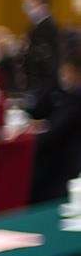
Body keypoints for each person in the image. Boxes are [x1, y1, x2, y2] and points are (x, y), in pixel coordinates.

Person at [31, 49, 81, 202]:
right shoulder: (70, 93)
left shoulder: (76, 97)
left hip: (67, 166)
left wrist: (33, 139)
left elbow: (56, 129)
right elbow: (40, 110)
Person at [21, 0, 61, 118]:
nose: (27, 2)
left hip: (44, 90)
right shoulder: (34, 26)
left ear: (41, 1)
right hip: (35, 87)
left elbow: (48, 63)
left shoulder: (49, 27)